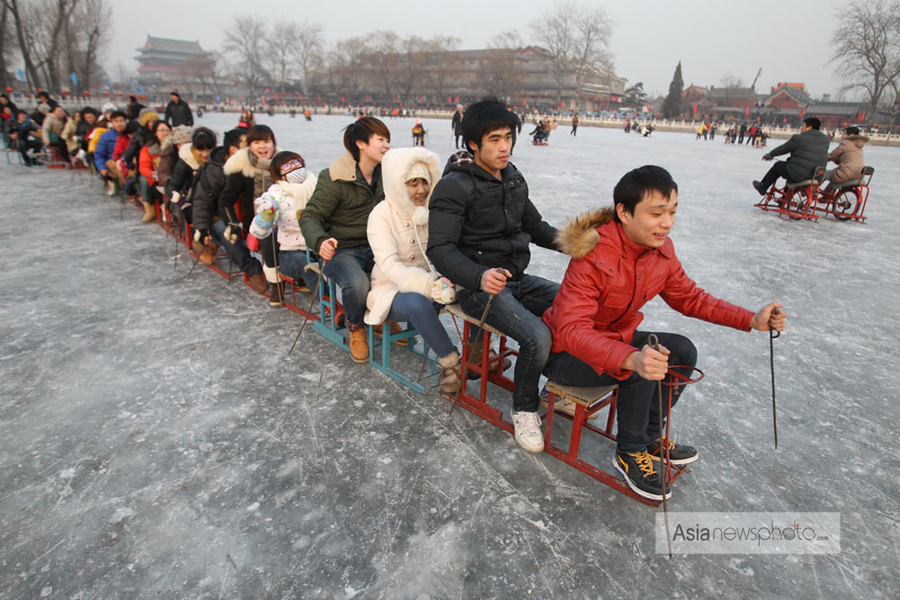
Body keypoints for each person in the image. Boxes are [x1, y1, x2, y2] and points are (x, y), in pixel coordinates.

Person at [542, 165, 786, 500]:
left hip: (614, 342)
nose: (667, 222)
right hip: (566, 356)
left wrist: (750, 319)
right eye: (656, 213)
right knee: (643, 364)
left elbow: (690, 298)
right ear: (624, 213)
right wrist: (629, 357)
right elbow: (571, 330)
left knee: (681, 351)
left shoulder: (660, 251)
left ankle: (649, 437)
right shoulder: (593, 255)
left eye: (672, 212)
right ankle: (630, 453)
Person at [427, 98, 561, 454]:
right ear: (474, 143)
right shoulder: (454, 187)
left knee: (574, 305)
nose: (505, 147)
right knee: (537, 337)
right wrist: (479, 275)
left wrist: (580, 244)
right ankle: (525, 408)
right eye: (495, 139)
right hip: (475, 288)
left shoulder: (513, 178)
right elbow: (439, 249)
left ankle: (560, 387)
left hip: (515, 278)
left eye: (508, 137)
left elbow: (536, 227)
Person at [365, 147, 461, 397]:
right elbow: (388, 264)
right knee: (417, 303)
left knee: (479, 287)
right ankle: (451, 363)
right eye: (412, 183)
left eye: (425, 183)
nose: (420, 191)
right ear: (397, 184)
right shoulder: (381, 215)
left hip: (436, 282)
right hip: (391, 289)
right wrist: (429, 285)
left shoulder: (432, 211)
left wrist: (454, 277)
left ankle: (479, 352)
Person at [299, 117, 391, 362]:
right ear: (361, 143)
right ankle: (356, 326)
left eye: (387, 140)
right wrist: (320, 241)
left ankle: (380, 318)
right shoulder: (335, 177)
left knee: (399, 274)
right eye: (380, 139)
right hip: (343, 249)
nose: (386, 145)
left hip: (377, 245)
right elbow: (310, 215)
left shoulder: (388, 174)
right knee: (358, 284)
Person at [190, 128, 267, 295]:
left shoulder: (255, 165)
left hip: (246, 214)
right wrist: (201, 228)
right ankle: (252, 268)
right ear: (233, 150)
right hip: (217, 216)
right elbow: (201, 202)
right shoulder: (214, 171)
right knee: (228, 233)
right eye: (249, 144)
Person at [220, 125, 280, 302]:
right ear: (249, 146)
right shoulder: (241, 168)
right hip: (256, 224)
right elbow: (225, 200)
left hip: (284, 218)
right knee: (269, 234)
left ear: (273, 143)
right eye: (256, 142)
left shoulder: (282, 163)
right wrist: (232, 223)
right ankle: (276, 281)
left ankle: (301, 273)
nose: (262, 146)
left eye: (266, 141)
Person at [246, 151, 319, 295]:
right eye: (287, 166)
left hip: (318, 245)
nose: (293, 167)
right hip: (291, 251)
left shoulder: (316, 185)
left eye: (296, 162)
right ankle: (333, 305)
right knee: (307, 265)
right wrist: (267, 214)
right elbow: (259, 230)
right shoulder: (275, 195)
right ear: (278, 174)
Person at [752, 117, 830, 195]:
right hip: (816, 176)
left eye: (803, 126)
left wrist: (770, 154)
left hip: (799, 174)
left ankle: (763, 187)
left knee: (778, 166)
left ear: (809, 127)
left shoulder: (799, 138)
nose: (801, 128)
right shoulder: (826, 140)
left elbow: (784, 148)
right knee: (793, 168)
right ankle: (782, 200)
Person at [137, 120, 172, 222]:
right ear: (155, 132)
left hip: (170, 175)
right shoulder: (149, 148)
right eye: (161, 130)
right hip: (155, 177)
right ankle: (150, 208)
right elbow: (143, 167)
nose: (165, 133)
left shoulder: (174, 147)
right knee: (144, 180)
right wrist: (153, 174)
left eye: (167, 130)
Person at [94, 110, 127, 194]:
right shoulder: (105, 136)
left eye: (121, 121)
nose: (119, 124)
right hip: (112, 162)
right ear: (111, 123)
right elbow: (99, 154)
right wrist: (102, 167)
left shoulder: (130, 134)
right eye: (116, 121)